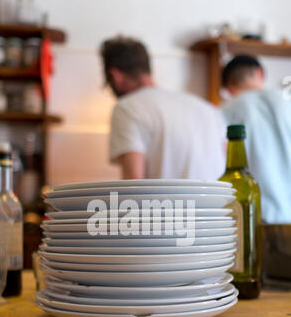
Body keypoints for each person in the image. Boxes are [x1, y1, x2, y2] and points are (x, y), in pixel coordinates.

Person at [100, 36, 226, 181]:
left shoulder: (127, 108)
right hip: (219, 204)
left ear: (115, 76)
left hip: (167, 204)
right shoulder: (208, 108)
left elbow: (133, 184)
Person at [222, 55, 291, 224]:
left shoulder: (227, 111)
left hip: (256, 217)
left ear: (228, 87)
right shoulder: (286, 101)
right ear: (260, 73)